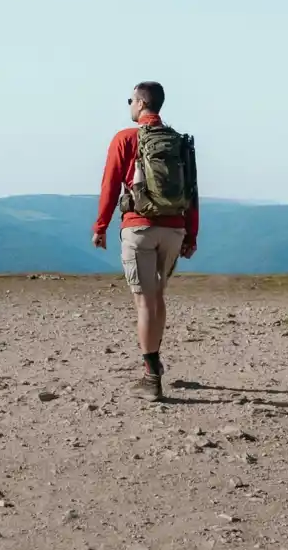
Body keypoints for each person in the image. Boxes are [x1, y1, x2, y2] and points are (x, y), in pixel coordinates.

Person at [92, 81, 199, 400]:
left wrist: (101, 226)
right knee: (158, 297)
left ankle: (151, 376)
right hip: (174, 228)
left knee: (144, 301)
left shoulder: (125, 139)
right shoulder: (179, 141)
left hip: (139, 228)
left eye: (130, 100)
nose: (129, 105)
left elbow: (110, 186)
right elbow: (192, 191)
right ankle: (154, 363)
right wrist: (191, 233)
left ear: (140, 103)